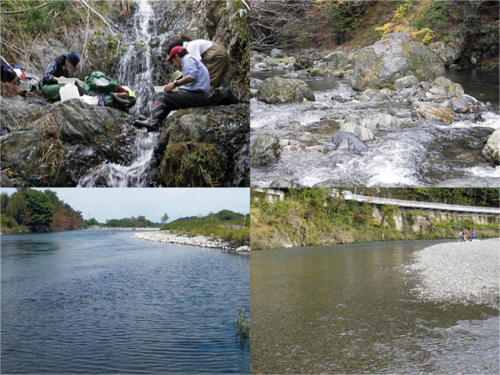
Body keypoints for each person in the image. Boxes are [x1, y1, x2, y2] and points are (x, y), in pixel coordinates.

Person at [133, 46, 210, 130]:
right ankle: (153, 119)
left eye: (172, 60)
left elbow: (192, 76)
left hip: (198, 95)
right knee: (169, 100)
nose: (173, 63)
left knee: (163, 96)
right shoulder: (191, 60)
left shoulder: (187, 59)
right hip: (198, 95)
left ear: (176, 56)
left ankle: (152, 121)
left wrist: (175, 84)